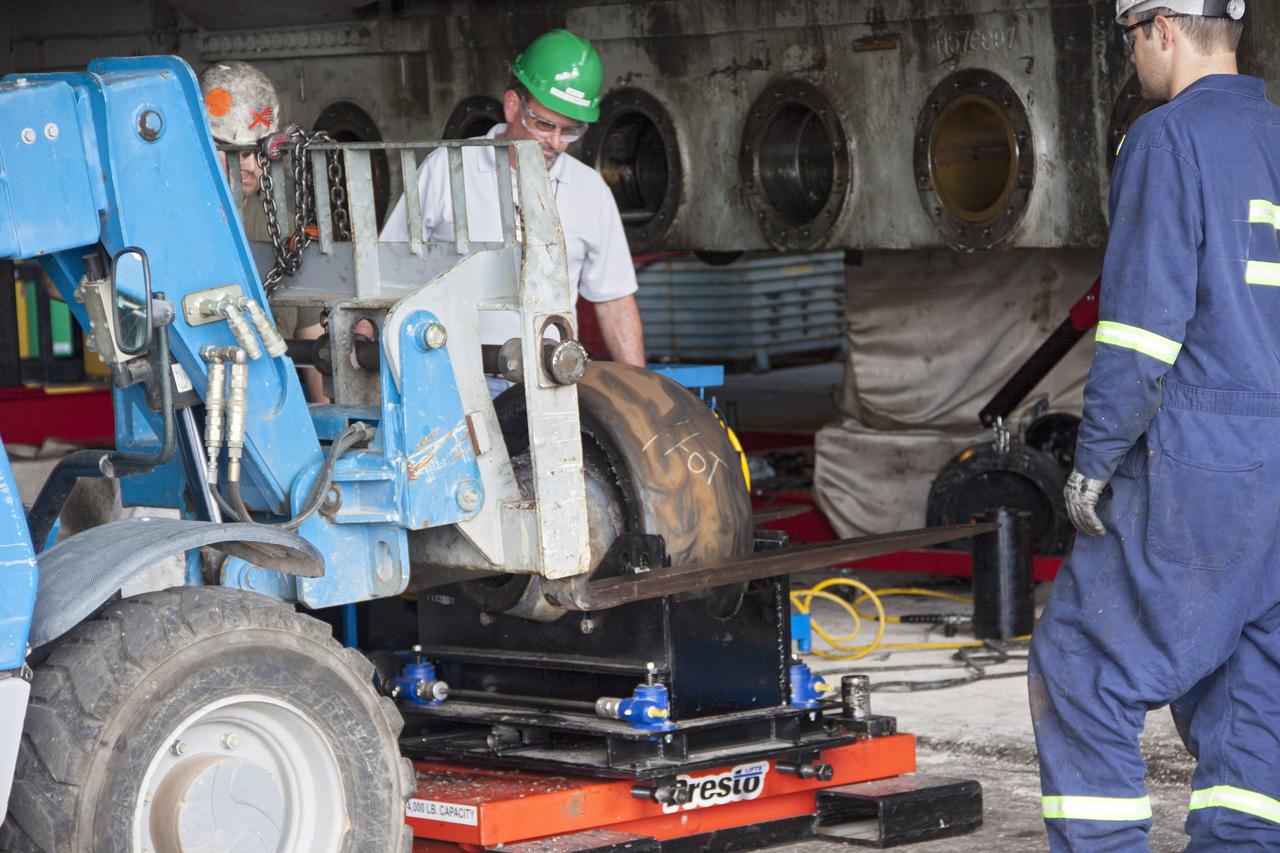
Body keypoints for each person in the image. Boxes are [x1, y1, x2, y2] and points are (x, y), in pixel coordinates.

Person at [1028, 1, 1280, 850]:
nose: (1131, 56)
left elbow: (1141, 329)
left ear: (1162, 28)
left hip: (1202, 459)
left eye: (1129, 37)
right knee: (1251, 682)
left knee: (1081, 665)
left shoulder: (1168, 140)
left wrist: (1094, 460)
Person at [380, 28, 645, 369]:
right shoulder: (448, 170)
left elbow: (615, 301)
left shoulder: (590, 191)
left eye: (570, 131)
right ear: (512, 106)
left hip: (551, 385)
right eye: (545, 125)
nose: (556, 142)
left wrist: (643, 398)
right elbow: (388, 271)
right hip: (452, 381)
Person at [199, 60, 327, 401]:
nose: (247, 164)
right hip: (197, 392)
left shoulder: (283, 221)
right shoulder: (177, 218)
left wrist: (327, 415)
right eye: (233, 151)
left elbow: (309, 331)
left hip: (272, 394)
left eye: (256, 152)